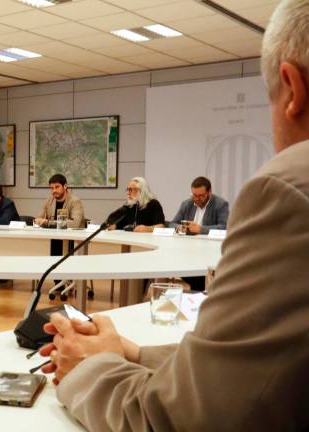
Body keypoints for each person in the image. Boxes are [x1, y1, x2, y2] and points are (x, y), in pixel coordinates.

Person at [39, 1, 309, 429]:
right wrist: (134, 354)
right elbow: (258, 368)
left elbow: (174, 419)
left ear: (291, 89)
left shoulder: (288, 189)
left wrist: (87, 366)